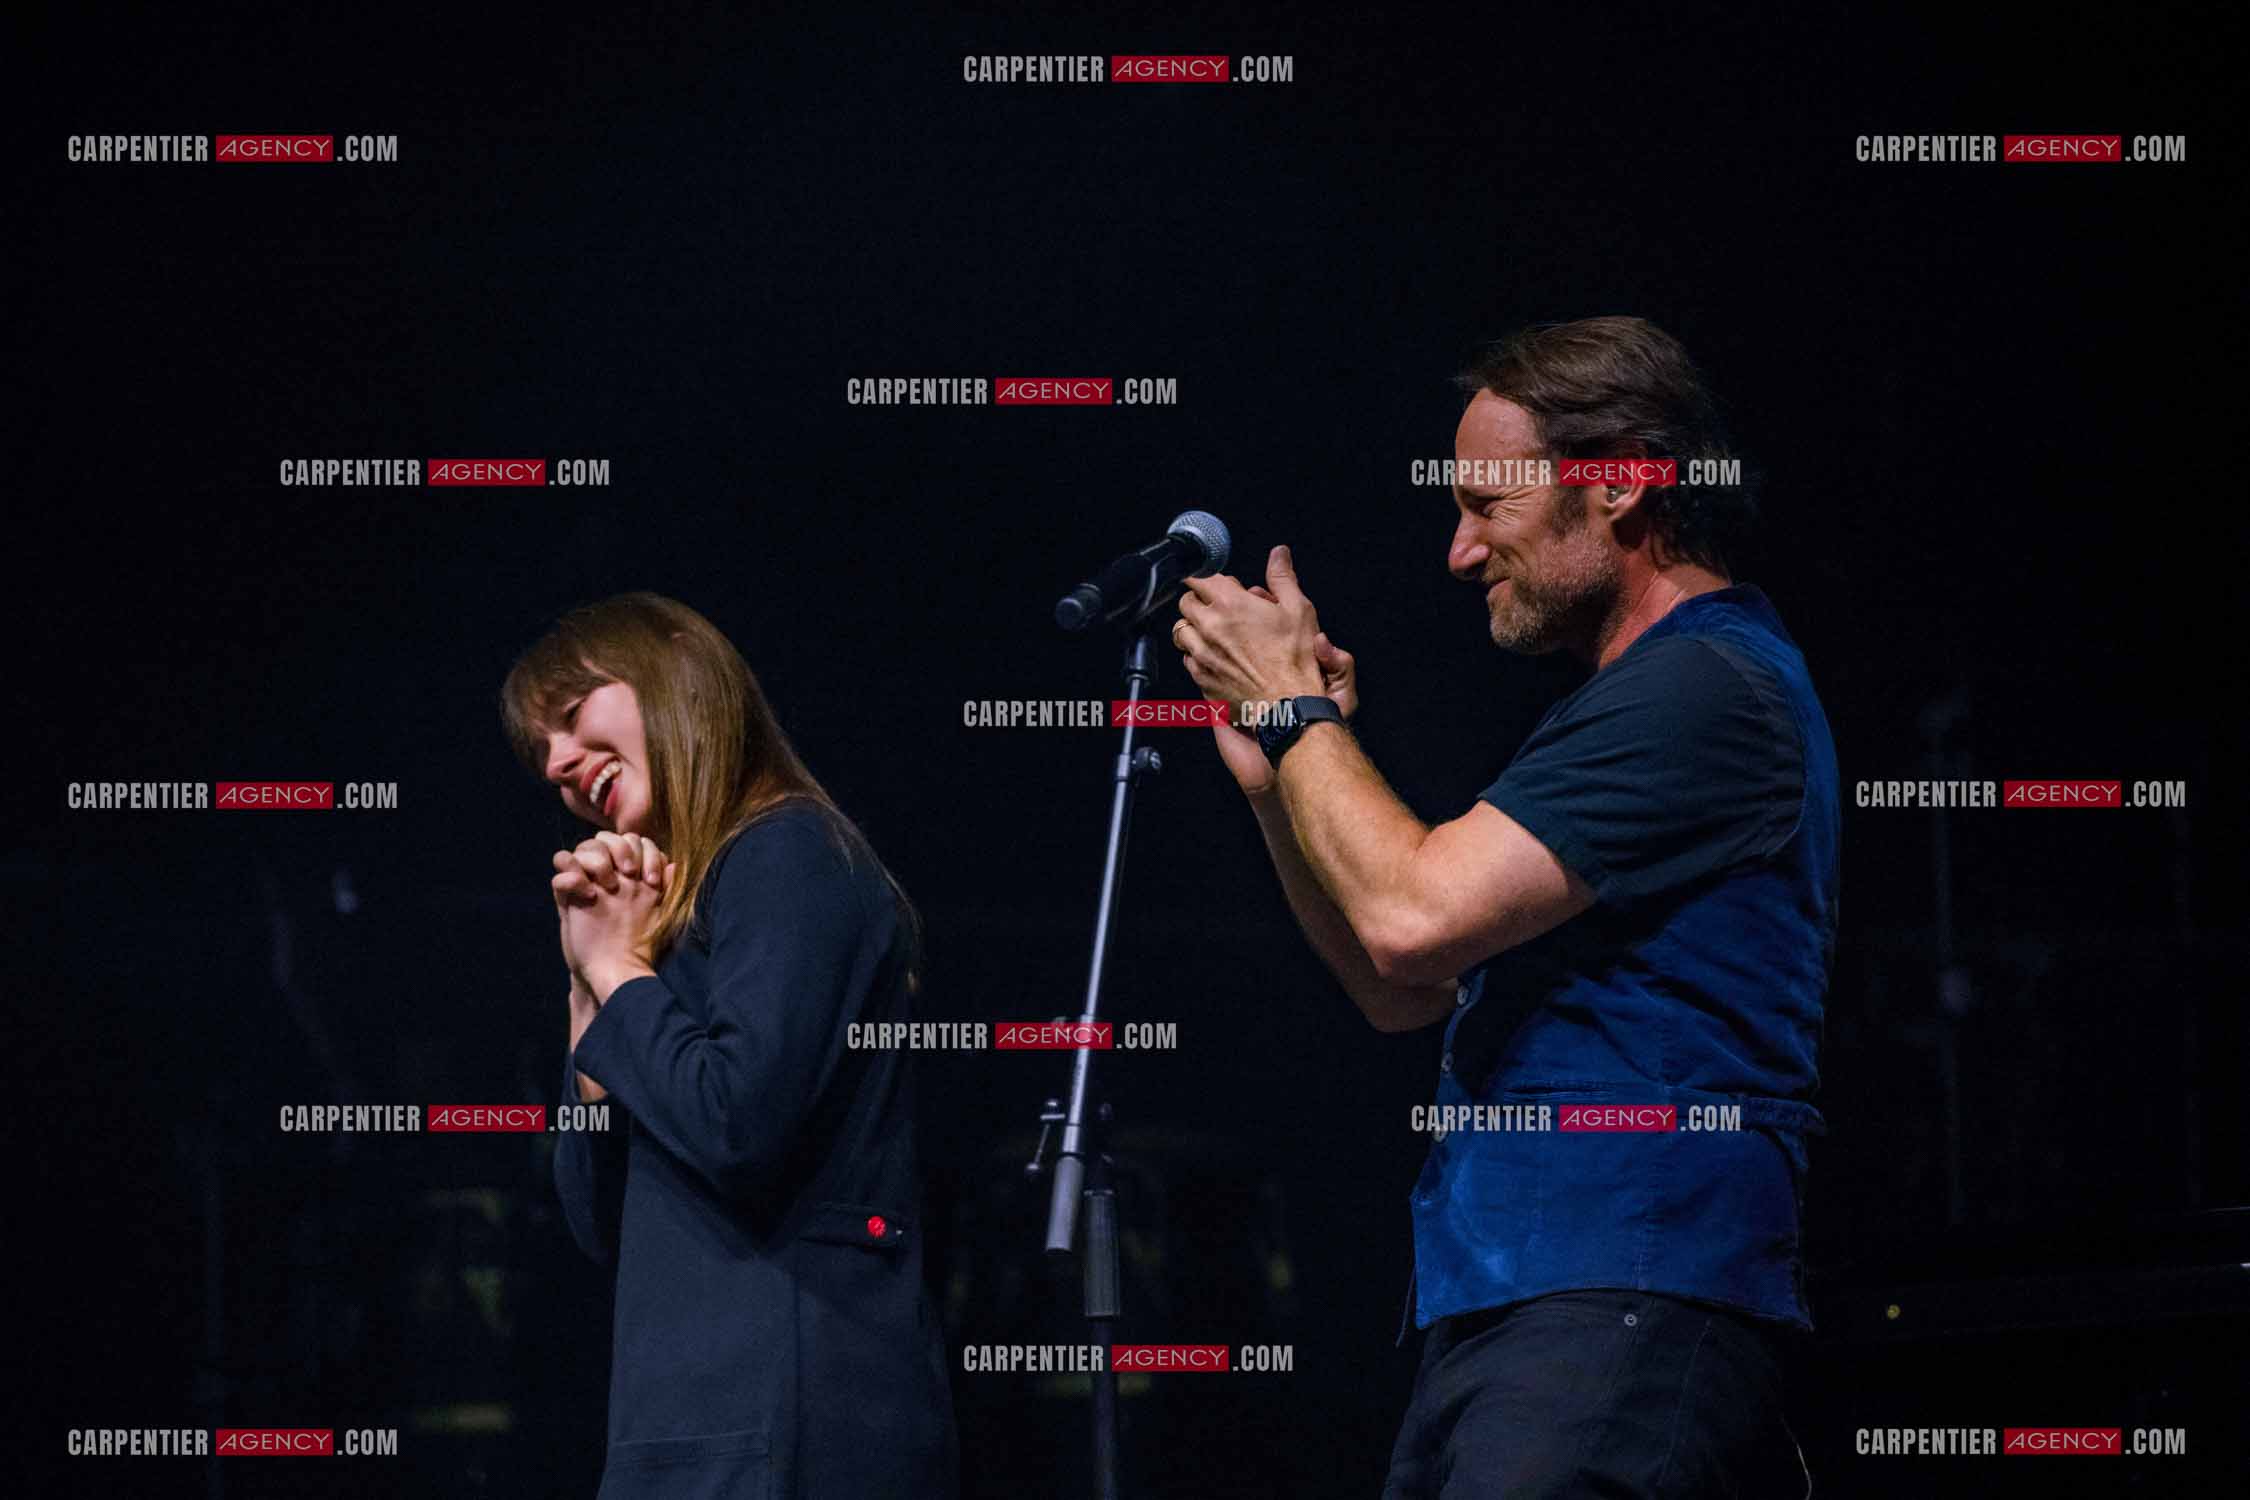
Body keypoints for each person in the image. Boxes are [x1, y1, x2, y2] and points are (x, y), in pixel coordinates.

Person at [1172, 318, 1832, 1496]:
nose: (1460, 552)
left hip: (1626, 1282)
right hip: (1517, 1294)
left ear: (1623, 482)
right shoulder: (1628, 702)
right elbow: (1400, 988)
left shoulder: (1702, 688)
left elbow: (1412, 915)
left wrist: (1292, 707)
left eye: (1489, 506)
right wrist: (1282, 789)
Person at [501, 591, 957, 1499]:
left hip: (786, 1420)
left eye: (570, 714)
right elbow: (597, 1219)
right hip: (682, 1426)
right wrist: (591, 992)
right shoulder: (662, 933)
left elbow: (737, 1122)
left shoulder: (788, 851)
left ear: (674, 669)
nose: (554, 762)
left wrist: (621, 972)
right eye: (540, 753)